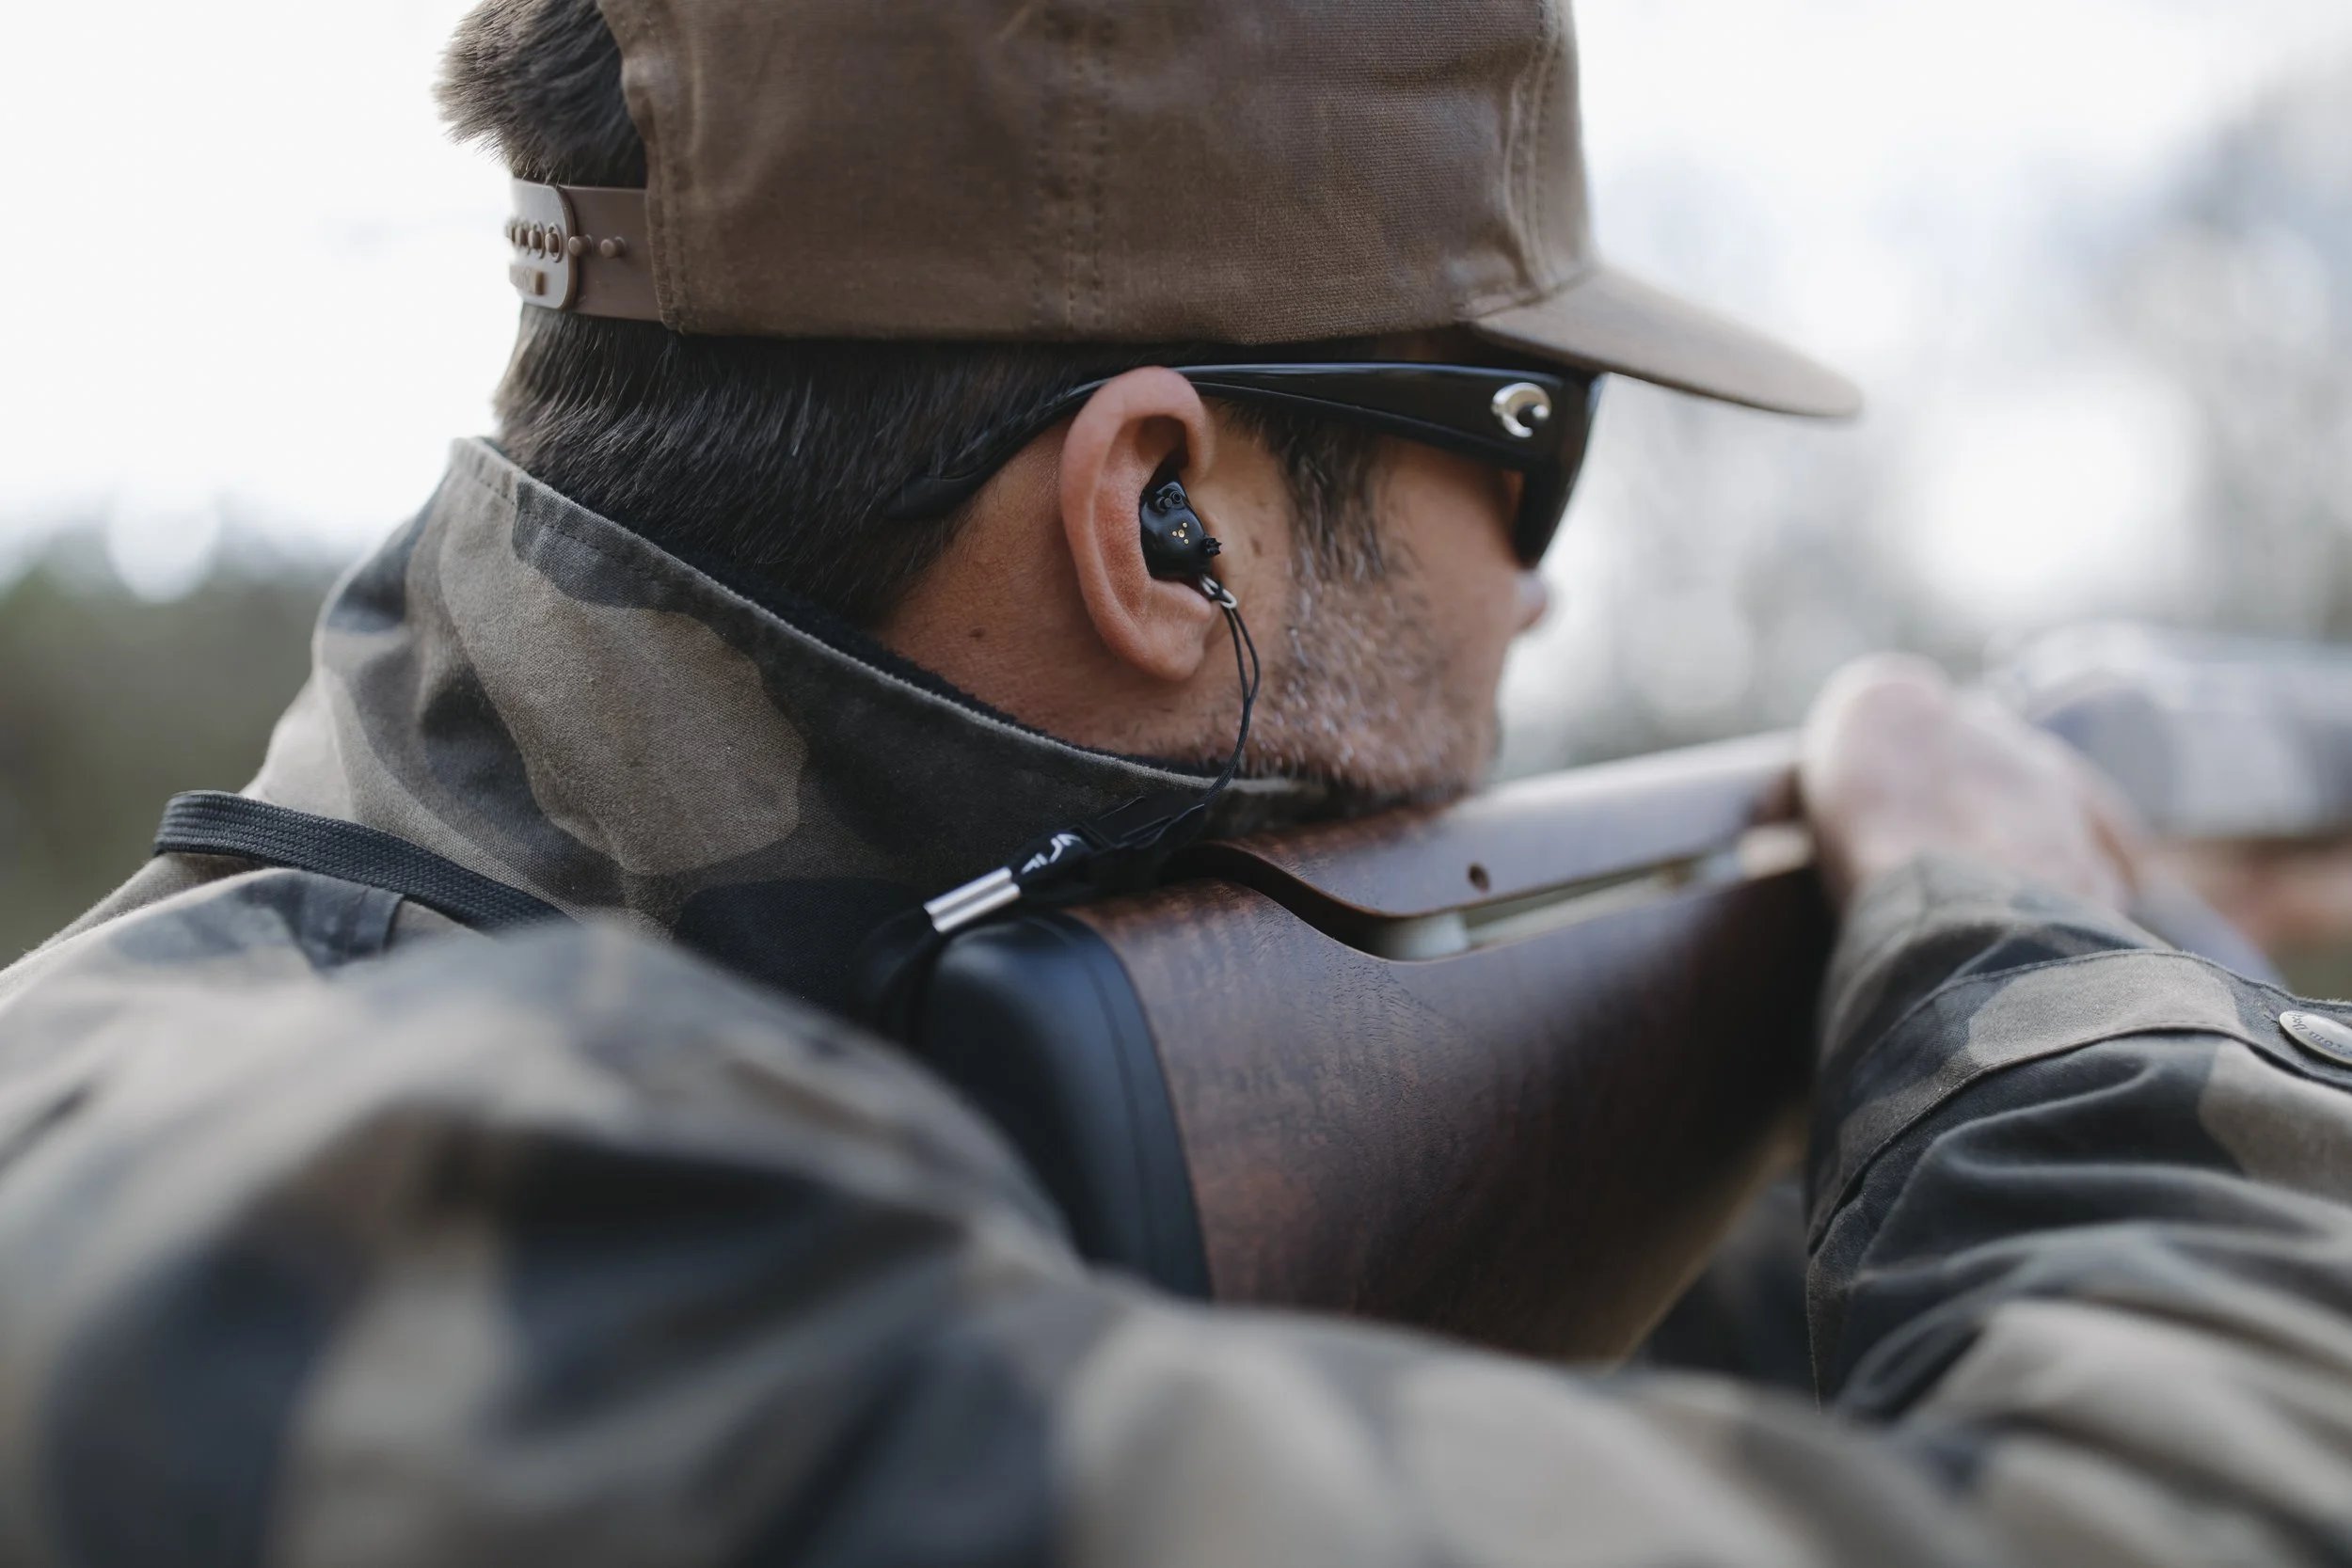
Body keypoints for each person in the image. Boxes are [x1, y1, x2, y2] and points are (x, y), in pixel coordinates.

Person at [6, 0, 2352, 1560]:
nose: (1534, 605)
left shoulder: (598, 1073)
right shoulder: (365, 1250)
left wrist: (1839, 1052)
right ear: (1158, 516)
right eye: (1535, 448)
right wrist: (2044, 963)